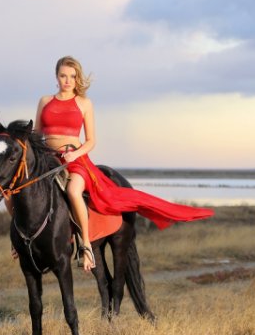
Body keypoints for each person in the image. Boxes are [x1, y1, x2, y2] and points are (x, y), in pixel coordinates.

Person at [16, 56, 214, 272]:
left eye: (72, 76)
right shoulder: (45, 101)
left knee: (73, 191)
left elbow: (91, 140)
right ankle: (20, 240)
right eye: (63, 76)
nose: (67, 81)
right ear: (56, 76)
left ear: (77, 78)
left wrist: (74, 154)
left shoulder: (84, 103)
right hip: (48, 160)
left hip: (75, 160)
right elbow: (36, 135)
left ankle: (86, 245)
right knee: (21, 189)